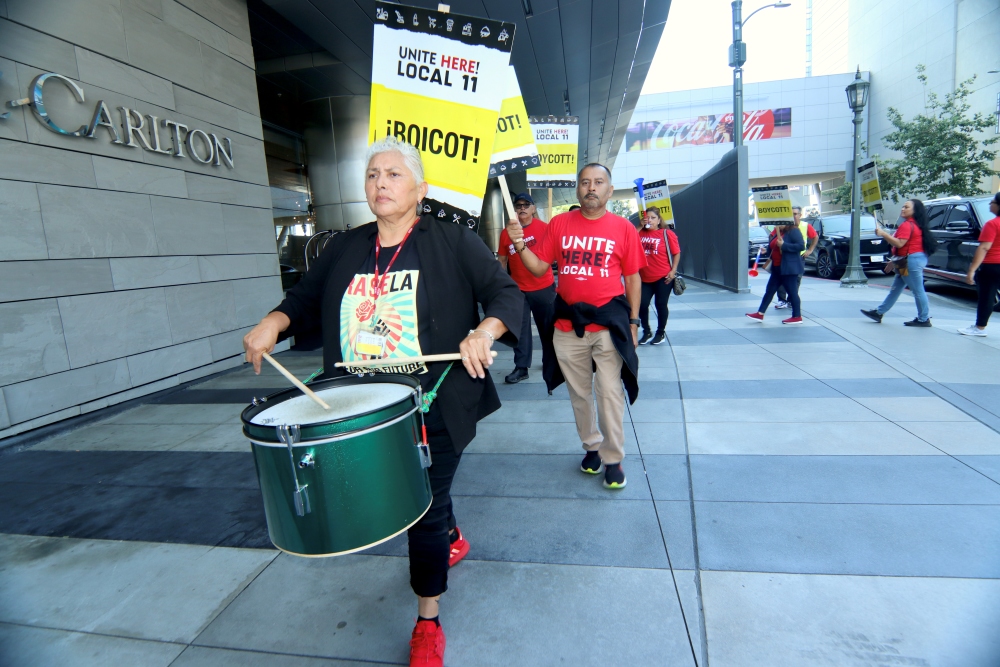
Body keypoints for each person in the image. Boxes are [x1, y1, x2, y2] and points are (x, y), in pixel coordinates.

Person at [242, 136, 522, 667]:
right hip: (361, 406)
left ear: (420, 188)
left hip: (432, 402)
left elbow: (505, 293)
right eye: (372, 174)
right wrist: (271, 324)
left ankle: (427, 620)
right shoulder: (344, 247)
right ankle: (451, 535)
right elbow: (301, 301)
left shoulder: (452, 240)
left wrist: (485, 330)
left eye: (393, 174)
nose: (380, 183)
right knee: (424, 492)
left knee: (423, 507)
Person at [504, 163, 646, 489]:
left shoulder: (623, 228)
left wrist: (635, 322)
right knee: (580, 395)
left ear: (610, 190)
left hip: (609, 326)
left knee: (609, 392)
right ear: (578, 189)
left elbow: (633, 277)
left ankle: (613, 458)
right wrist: (521, 244)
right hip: (567, 327)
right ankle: (592, 446)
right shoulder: (559, 224)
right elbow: (540, 268)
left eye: (598, 182)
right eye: (585, 182)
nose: (591, 188)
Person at [497, 193, 556, 382]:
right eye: (518, 205)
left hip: (543, 287)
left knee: (547, 329)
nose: (522, 208)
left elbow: (553, 257)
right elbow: (502, 259)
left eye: (526, 204)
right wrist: (502, 285)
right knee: (520, 331)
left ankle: (551, 363)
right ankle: (521, 367)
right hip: (518, 289)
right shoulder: (507, 233)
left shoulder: (545, 229)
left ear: (533, 209)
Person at [861, 198, 934, 327]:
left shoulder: (907, 225)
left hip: (910, 261)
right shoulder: (915, 224)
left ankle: (924, 318)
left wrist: (883, 233)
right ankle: (879, 312)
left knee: (917, 290)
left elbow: (899, 243)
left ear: (915, 210)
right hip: (906, 260)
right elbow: (902, 247)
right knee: (896, 288)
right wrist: (893, 261)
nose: (903, 209)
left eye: (906, 207)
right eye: (903, 206)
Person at [746, 220, 805, 323]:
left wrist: (784, 245)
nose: (778, 225)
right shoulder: (778, 232)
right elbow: (774, 248)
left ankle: (797, 316)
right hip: (777, 268)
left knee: (792, 292)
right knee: (770, 290)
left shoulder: (793, 231)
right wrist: (766, 251)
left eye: (780, 223)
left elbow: (801, 246)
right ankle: (760, 313)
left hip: (788, 268)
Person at [636, 206, 681, 345]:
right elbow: (628, 239)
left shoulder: (666, 234)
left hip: (663, 276)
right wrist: (639, 226)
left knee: (660, 304)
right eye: (647, 217)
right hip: (644, 277)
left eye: (653, 218)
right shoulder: (639, 233)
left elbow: (676, 253)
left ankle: (660, 332)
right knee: (642, 305)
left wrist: (673, 271)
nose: (649, 220)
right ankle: (646, 331)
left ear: (659, 220)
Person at [959, 192, 1000, 336]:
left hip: (992, 265)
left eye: (993, 202)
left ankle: (980, 327)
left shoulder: (992, 224)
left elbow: (984, 247)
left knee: (987, 297)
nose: (990, 204)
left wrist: (972, 270)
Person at [775, 206, 818, 308]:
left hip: (799, 257)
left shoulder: (805, 225)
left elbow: (815, 236)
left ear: (800, 215)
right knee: (781, 279)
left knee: (796, 280)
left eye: (795, 214)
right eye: (791, 214)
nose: (793, 216)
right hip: (784, 256)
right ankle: (782, 300)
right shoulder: (784, 226)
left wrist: (810, 250)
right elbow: (774, 236)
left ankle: (791, 300)